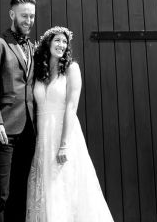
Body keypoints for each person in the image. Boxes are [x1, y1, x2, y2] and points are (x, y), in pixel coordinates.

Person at [25, 26, 114, 222]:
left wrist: (64, 144)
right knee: (46, 187)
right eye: (57, 40)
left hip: (64, 134)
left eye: (65, 42)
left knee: (64, 186)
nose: (61, 45)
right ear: (48, 43)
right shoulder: (40, 71)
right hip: (43, 138)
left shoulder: (72, 69)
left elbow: (71, 107)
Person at [0, 0, 38, 222]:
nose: (29, 20)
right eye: (24, 15)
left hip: (29, 131)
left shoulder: (33, 48)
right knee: (0, 194)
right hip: (4, 131)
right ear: (12, 14)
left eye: (32, 16)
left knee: (22, 192)